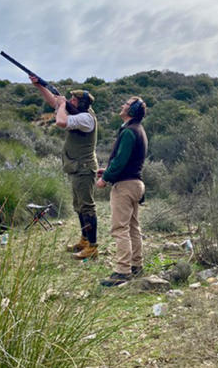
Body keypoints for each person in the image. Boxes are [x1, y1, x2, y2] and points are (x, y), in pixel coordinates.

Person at [29, 75, 99, 259]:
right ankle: (84, 240)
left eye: (74, 99)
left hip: (84, 168)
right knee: (79, 206)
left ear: (81, 104)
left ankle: (92, 247)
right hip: (77, 168)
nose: (70, 101)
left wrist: (61, 106)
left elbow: (60, 121)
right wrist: (39, 86)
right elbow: (55, 101)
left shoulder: (86, 118)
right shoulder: (80, 112)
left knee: (87, 207)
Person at [96, 96, 148, 287]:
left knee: (120, 228)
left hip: (124, 186)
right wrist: (108, 171)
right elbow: (125, 161)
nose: (121, 106)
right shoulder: (139, 130)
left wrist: (105, 178)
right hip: (136, 184)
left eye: (125, 105)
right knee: (133, 227)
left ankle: (122, 271)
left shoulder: (128, 131)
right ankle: (136, 265)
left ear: (131, 111)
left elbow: (120, 161)